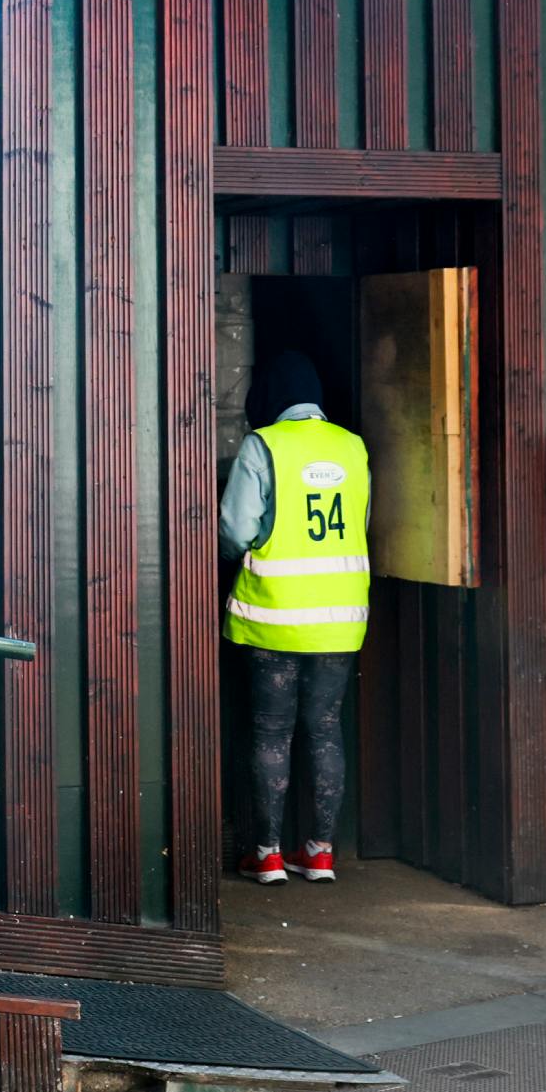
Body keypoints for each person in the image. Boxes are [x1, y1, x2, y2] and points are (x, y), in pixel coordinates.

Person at [219, 350, 370, 883]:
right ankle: (322, 851)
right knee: (325, 729)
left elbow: (237, 529)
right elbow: (361, 519)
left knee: (269, 731)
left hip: (274, 616)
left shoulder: (264, 445)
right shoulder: (352, 447)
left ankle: (267, 854)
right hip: (340, 618)